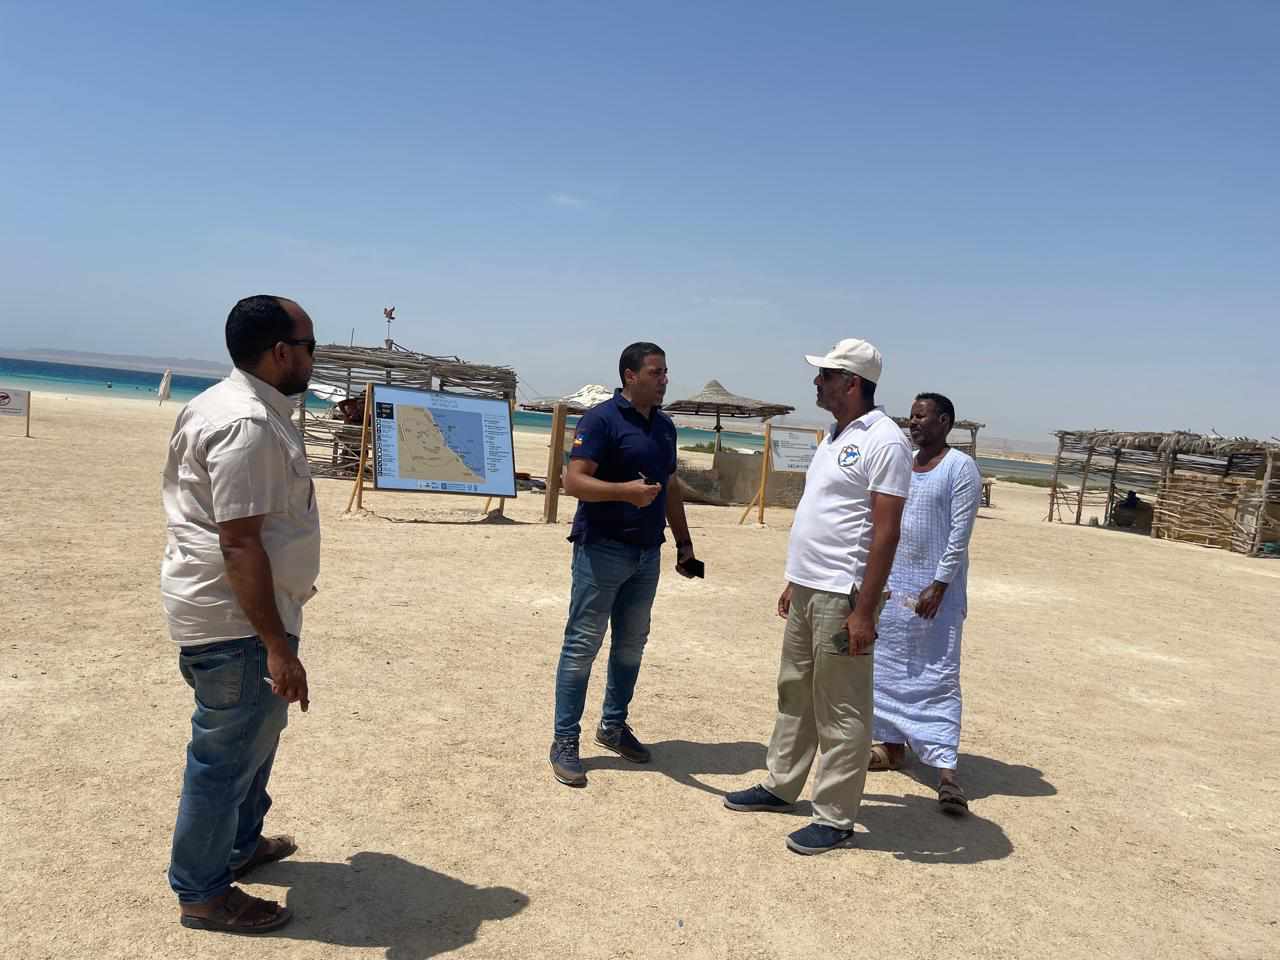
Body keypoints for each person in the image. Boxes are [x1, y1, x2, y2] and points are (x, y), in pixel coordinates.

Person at [160, 295, 321, 933]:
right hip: (240, 625)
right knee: (223, 763)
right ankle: (202, 894)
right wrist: (277, 646)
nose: (314, 357)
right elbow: (239, 542)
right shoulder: (246, 423)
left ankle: (239, 845)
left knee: (255, 742)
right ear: (281, 352)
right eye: (310, 345)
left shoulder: (229, 406)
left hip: (246, 617)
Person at [723, 338, 911, 855]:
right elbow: (824, 514)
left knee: (842, 708)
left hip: (843, 595)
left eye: (825, 375)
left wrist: (864, 610)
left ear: (851, 382)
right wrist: (795, 578)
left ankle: (835, 816)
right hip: (809, 587)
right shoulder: (834, 435)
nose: (816, 382)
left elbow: (886, 531)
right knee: (795, 692)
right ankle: (781, 784)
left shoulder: (885, 440)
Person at [548, 342, 698, 787]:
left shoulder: (665, 427)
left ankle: (613, 726)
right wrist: (624, 492)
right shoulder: (600, 420)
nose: (664, 379)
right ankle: (564, 740)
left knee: (631, 645)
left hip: (647, 553)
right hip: (601, 550)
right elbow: (573, 481)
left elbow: (670, 486)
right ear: (630, 376)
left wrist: (684, 544)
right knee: (582, 645)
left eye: (665, 372)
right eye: (656, 372)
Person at [868, 392, 982, 813]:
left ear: (944, 421)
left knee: (938, 676)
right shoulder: (903, 465)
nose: (913, 423)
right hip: (894, 588)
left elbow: (959, 534)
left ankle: (947, 772)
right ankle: (891, 746)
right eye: (911, 417)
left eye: (921, 417)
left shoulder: (960, 467)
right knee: (887, 671)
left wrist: (940, 584)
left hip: (936, 595)